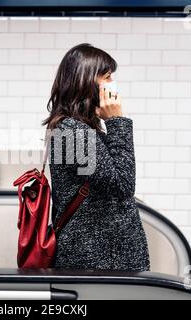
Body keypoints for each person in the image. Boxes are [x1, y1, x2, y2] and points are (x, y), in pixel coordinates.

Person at [42, 43, 150, 271]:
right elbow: (122, 185)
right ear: (86, 80)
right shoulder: (72, 131)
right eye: (108, 77)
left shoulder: (80, 129)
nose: (113, 85)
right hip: (96, 259)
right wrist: (116, 121)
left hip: (102, 257)